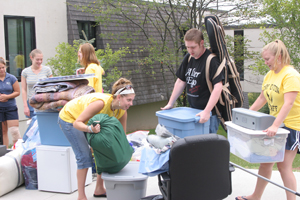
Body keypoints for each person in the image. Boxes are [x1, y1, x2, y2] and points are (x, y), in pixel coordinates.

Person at [236, 39, 300, 200]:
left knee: (284, 166)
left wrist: (276, 125)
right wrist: (245, 116)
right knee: (265, 162)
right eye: (264, 59)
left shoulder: (291, 75)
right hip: (275, 126)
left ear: (278, 56)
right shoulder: (269, 75)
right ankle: (255, 196)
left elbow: (289, 103)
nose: (265, 62)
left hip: (291, 126)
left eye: (267, 59)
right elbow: (262, 98)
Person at [58, 78, 135, 200]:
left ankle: (99, 188)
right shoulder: (101, 104)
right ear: (119, 97)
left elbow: (121, 136)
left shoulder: (122, 111)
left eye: (132, 100)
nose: (131, 104)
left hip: (90, 124)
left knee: (104, 151)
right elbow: (77, 123)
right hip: (71, 119)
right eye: (129, 100)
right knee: (84, 156)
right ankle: (81, 196)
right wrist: (90, 129)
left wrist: (125, 151)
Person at [161, 28, 224, 133]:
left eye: (193, 47)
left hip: (209, 115)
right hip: (192, 112)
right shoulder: (189, 58)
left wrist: (206, 111)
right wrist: (170, 103)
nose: (190, 51)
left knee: (206, 147)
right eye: (187, 47)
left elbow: (218, 87)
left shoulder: (211, 60)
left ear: (201, 43)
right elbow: (181, 81)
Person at [21, 49, 52, 118]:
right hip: (31, 102)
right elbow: (24, 90)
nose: (39, 62)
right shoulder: (25, 72)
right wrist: (25, 106)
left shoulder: (47, 70)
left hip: (45, 101)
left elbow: (52, 86)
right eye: (37, 59)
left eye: (41, 59)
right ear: (31, 57)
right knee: (32, 125)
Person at [0, 57, 21, 148]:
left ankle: (18, 150)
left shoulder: (11, 78)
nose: (1, 70)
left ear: (5, 67)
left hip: (10, 107)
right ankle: (5, 151)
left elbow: (17, 92)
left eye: (3, 67)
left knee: (14, 131)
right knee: (3, 132)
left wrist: (7, 96)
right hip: (0, 108)